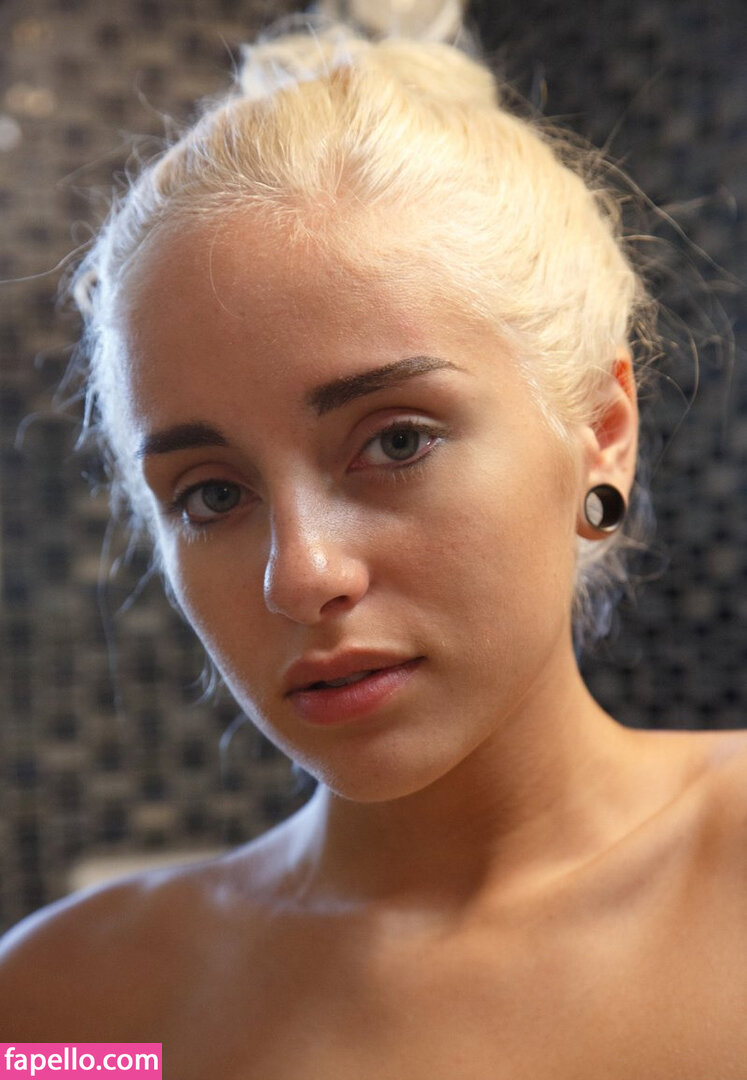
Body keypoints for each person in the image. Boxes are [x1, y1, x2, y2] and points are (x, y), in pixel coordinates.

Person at [1, 14, 745, 1077]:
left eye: (396, 441)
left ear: (601, 430)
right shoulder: (69, 1016)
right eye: (212, 495)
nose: (303, 574)